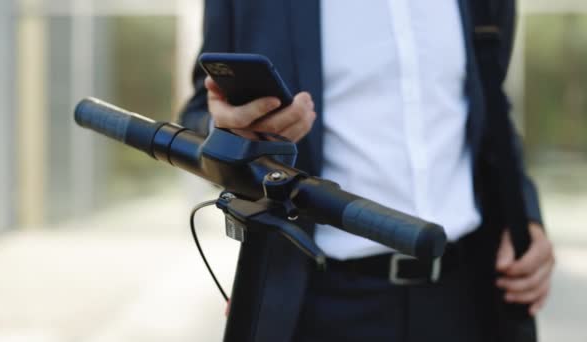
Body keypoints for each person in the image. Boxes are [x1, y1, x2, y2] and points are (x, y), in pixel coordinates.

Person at [180, 0, 555, 341]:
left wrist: (525, 215)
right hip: (323, 300)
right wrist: (234, 132)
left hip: (469, 296)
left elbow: (490, 107)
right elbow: (202, 113)